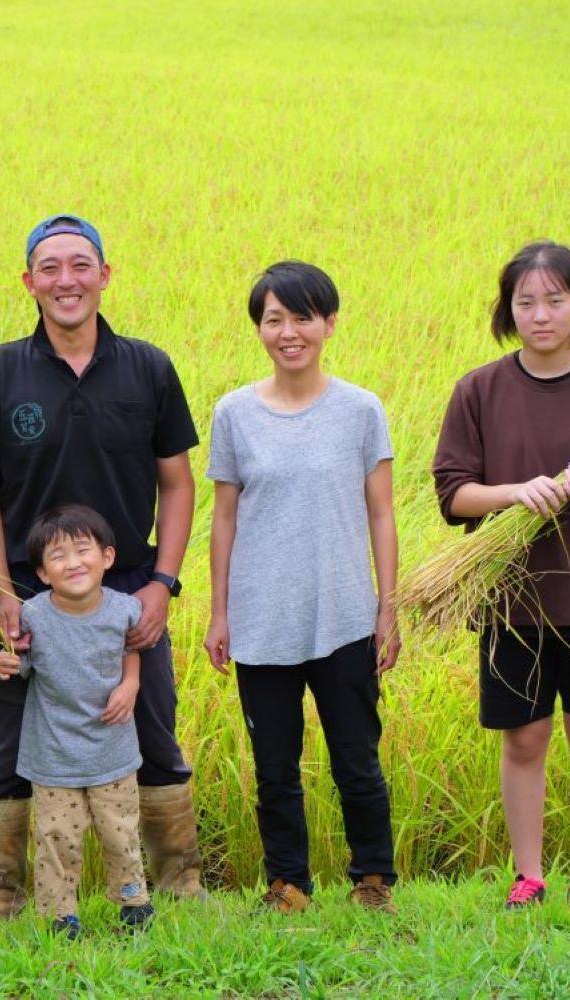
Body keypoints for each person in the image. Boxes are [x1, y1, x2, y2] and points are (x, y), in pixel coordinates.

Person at [0, 215, 204, 916]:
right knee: (10, 743)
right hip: (25, 598)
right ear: (29, 282)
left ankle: (176, 887)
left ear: (104, 275)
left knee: (151, 731)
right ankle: (3, 899)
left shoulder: (147, 367)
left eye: (80, 265)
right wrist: (1, 590)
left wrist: (162, 583)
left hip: (127, 594)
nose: (66, 280)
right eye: (50, 267)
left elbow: (178, 484)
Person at [432, 241, 570, 918]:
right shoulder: (480, 388)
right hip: (511, 598)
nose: (539, 314)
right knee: (523, 737)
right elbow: (452, 494)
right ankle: (526, 875)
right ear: (507, 309)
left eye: (553, 300)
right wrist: (514, 492)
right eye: (524, 301)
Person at [203, 261, 401, 914]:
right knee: (274, 769)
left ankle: (372, 880)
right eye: (273, 318)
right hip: (261, 620)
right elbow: (224, 516)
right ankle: (287, 884)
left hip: (343, 614)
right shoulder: (233, 413)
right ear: (258, 327)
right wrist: (218, 614)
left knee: (356, 760)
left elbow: (380, 513)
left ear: (329, 323)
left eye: (301, 317)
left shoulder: (359, 409)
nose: (287, 332)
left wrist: (386, 610)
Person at [0, 505, 155, 939]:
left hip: (113, 750)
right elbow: (19, 663)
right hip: (54, 754)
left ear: (107, 557)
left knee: (121, 833)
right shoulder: (32, 616)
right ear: (43, 573)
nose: (73, 562)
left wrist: (131, 684)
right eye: (57, 556)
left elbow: (130, 649)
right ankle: (59, 916)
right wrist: (1, 660)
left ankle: (133, 903)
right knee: (56, 837)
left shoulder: (126, 610)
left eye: (83, 550)